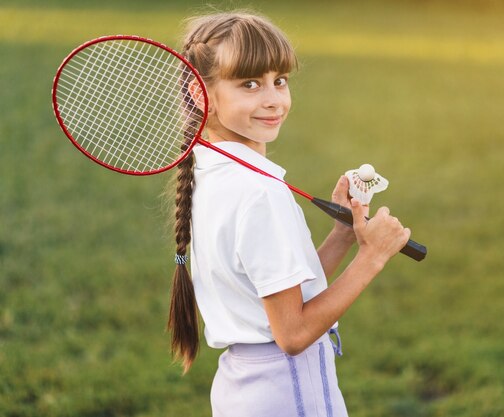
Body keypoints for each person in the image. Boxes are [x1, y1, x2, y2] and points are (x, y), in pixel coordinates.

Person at [167, 11, 411, 417]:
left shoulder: (207, 170)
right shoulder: (259, 193)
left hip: (243, 387)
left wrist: (342, 237)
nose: (273, 99)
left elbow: (276, 292)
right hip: (286, 390)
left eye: (279, 80)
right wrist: (373, 258)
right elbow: (293, 333)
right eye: (249, 84)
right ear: (200, 91)